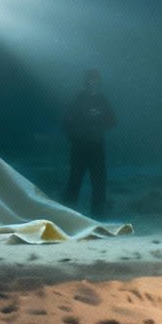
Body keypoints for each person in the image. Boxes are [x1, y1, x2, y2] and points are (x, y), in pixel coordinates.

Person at [63, 69, 115, 216]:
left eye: (96, 81)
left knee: (98, 182)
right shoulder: (78, 100)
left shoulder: (103, 100)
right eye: (91, 81)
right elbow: (67, 123)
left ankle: (98, 214)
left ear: (99, 83)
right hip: (80, 146)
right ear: (86, 83)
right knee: (75, 180)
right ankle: (67, 214)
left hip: (96, 146)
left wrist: (97, 121)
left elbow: (112, 121)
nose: (94, 84)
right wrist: (77, 135)